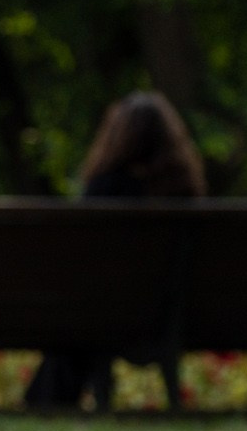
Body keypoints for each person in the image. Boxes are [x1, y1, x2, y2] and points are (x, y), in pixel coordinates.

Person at [24, 91, 207, 410]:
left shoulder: (103, 191)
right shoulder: (185, 194)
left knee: (76, 327)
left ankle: (43, 404)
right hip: (172, 315)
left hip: (103, 313)